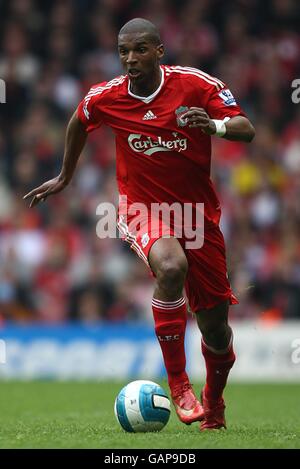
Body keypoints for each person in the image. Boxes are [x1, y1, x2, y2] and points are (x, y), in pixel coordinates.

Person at [24, 18, 255, 431]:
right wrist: (65, 176)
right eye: (124, 51)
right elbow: (79, 120)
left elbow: (245, 128)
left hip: (197, 216)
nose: (131, 58)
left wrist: (214, 125)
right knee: (169, 267)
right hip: (140, 208)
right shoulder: (107, 96)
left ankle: (213, 405)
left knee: (216, 330)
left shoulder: (196, 85)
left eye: (141, 49)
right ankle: (179, 383)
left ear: (159, 51)